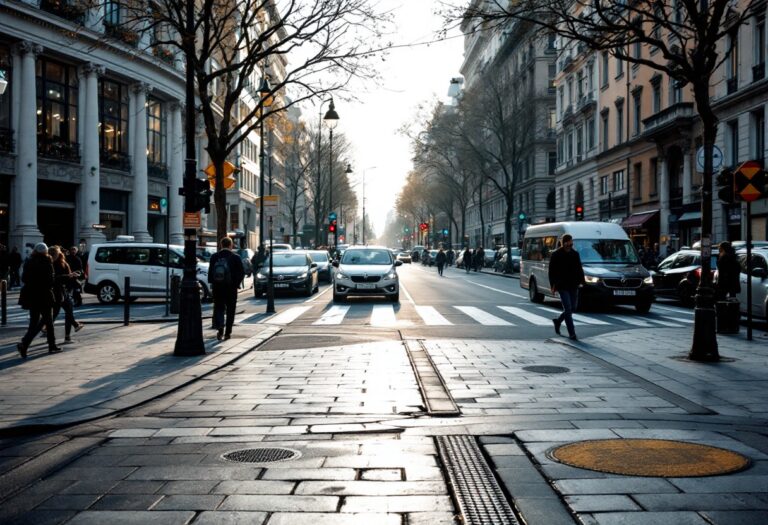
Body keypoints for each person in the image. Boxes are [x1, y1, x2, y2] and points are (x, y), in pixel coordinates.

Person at [17, 243, 61, 358]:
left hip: (32, 296)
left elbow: (24, 278)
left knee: (33, 323)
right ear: (46, 252)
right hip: (44, 295)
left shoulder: (29, 261)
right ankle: (52, 345)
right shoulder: (47, 261)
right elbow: (51, 279)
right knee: (49, 322)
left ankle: (24, 345)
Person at [549, 234, 585, 341]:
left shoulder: (575, 254)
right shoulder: (556, 254)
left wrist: (581, 281)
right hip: (562, 286)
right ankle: (572, 333)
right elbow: (552, 272)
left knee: (573, 308)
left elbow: (579, 268)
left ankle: (558, 321)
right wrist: (553, 286)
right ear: (563, 243)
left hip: (573, 285)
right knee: (568, 309)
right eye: (568, 242)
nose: (570, 245)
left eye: (571, 243)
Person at [208, 237, 245, 341]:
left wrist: (213, 284)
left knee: (219, 307)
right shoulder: (235, 257)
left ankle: (220, 327)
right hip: (231, 288)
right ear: (231, 245)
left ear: (221, 245)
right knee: (230, 310)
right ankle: (228, 333)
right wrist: (236, 284)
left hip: (218, 288)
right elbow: (241, 273)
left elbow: (211, 273)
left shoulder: (214, 256)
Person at [50, 245, 84, 343]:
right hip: (62, 291)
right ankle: (68, 336)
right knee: (68, 312)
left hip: (55, 291)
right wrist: (72, 276)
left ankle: (48, 332)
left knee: (56, 313)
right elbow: (66, 278)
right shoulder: (62, 263)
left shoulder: (50, 263)